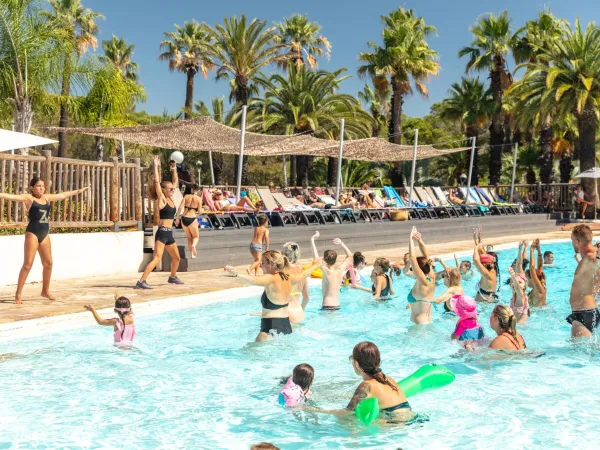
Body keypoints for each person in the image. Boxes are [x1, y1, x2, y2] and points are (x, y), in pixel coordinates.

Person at [0, 176, 89, 304]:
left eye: (43, 186)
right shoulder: (28, 198)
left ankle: (45, 291)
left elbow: (62, 196)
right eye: (38, 186)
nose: (41, 188)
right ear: (32, 187)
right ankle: (18, 293)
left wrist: (79, 191)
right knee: (27, 264)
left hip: (45, 233)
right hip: (33, 233)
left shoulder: (46, 198)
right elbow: (11, 197)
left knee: (48, 263)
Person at [224, 251, 318, 341]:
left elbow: (254, 280)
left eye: (263, 263)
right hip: (286, 326)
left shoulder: (270, 278)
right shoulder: (289, 277)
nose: (260, 265)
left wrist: (235, 274)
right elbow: (304, 274)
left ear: (272, 264)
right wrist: (315, 265)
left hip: (270, 327)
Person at [310, 342, 412, 422]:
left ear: (356, 364)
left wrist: (313, 409)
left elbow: (347, 412)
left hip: (393, 424)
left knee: (346, 420)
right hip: (410, 418)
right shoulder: (388, 379)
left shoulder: (366, 385)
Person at [137, 157, 183, 289]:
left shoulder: (171, 199)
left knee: (176, 258)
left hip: (169, 234)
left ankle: (172, 277)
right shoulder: (162, 200)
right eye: (170, 189)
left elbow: (175, 182)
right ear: (164, 190)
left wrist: (174, 168)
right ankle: (141, 281)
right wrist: (156, 167)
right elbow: (157, 183)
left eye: (173, 189)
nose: (173, 190)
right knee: (157, 258)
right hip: (162, 233)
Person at [567, 224, 600, 337]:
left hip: (583, 313)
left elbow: (595, 259)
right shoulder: (590, 256)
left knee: (577, 354)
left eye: (571, 240)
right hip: (587, 311)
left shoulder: (591, 256)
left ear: (577, 241)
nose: (571, 243)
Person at [311, 231, 353, 310]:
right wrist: (341, 243)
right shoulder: (340, 270)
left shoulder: (326, 270)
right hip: (337, 306)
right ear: (335, 259)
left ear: (324, 259)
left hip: (327, 306)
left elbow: (315, 258)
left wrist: (312, 239)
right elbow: (350, 256)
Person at [407, 227, 435, 325]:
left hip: (419, 323)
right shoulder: (431, 277)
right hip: (426, 322)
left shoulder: (422, 280)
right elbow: (426, 256)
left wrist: (410, 238)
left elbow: (412, 257)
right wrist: (419, 240)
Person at [281, 242, 309, 322]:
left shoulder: (281, 272)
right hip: (299, 313)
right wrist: (301, 310)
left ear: (283, 254)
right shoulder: (302, 272)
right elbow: (306, 298)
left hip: (286, 313)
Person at [175, 183, 203, 259]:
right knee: (196, 237)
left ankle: (192, 254)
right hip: (192, 218)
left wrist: (177, 218)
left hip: (184, 218)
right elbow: (200, 212)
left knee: (189, 237)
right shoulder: (199, 199)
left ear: (191, 189)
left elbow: (180, 208)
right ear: (198, 190)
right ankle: (194, 245)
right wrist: (201, 211)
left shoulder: (186, 196)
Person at [527, 239, 547, 307]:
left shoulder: (538, 288)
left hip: (538, 314)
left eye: (526, 279)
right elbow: (540, 266)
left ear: (532, 278)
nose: (525, 281)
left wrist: (531, 250)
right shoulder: (542, 285)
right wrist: (538, 250)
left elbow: (532, 267)